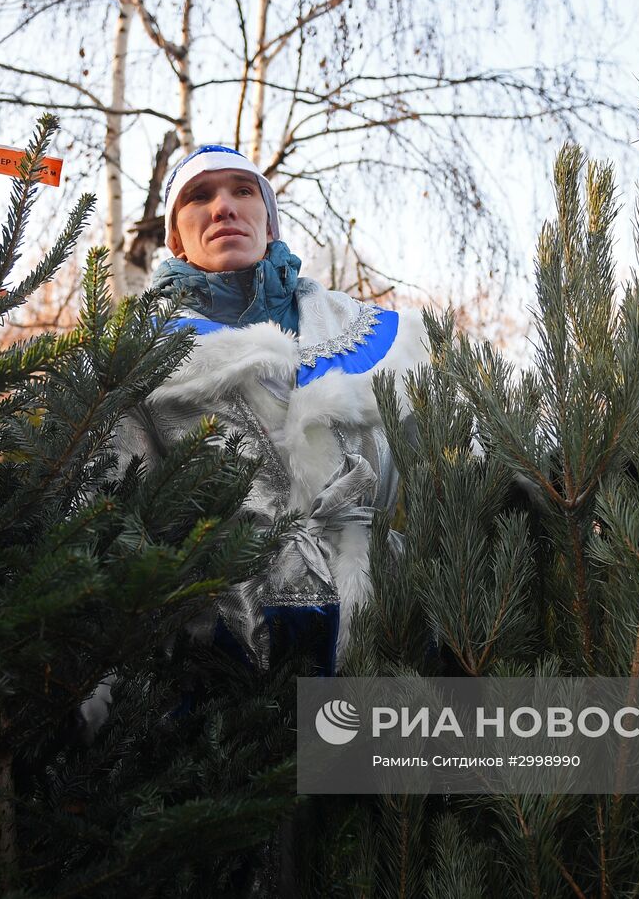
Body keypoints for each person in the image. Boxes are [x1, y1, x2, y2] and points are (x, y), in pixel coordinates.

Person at [112, 144, 429, 676]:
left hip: (392, 647)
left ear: (269, 220)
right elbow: (106, 515)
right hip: (222, 675)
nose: (223, 208)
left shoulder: (382, 335)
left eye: (242, 190)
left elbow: (465, 456)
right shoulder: (139, 354)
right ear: (174, 239)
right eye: (199, 196)